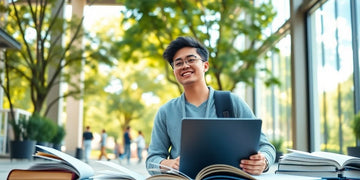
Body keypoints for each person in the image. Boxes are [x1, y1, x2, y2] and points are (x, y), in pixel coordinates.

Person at [145, 36, 276, 175]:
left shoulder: (231, 101)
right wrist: (170, 164)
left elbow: (266, 147)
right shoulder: (166, 112)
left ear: (205, 66)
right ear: (174, 71)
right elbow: (152, 160)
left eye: (191, 59)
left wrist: (263, 162)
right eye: (178, 63)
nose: (185, 65)